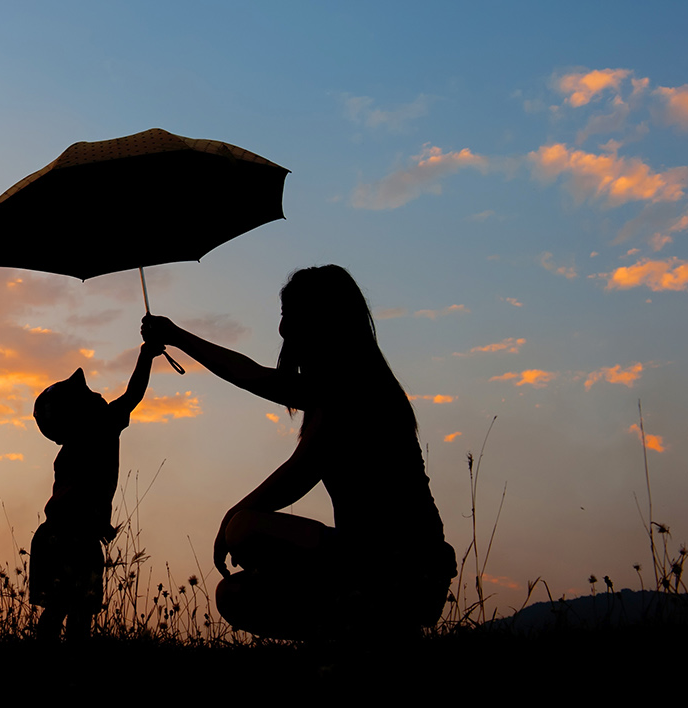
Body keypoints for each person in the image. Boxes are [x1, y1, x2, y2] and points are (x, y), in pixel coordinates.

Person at [142, 265, 455, 639]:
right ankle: (353, 634)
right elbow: (251, 374)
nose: (283, 329)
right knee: (235, 594)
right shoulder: (333, 388)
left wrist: (232, 517)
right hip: (369, 562)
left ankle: (380, 627)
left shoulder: (358, 391)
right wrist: (175, 335)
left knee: (245, 529)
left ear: (323, 319)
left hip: (403, 566)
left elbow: (300, 472)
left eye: (291, 315)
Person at [29, 341, 158, 642]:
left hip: (55, 535)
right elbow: (134, 394)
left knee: (59, 608)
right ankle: (75, 667)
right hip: (74, 537)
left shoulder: (74, 445)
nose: (99, 395)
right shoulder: (99, 427)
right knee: (78, 611)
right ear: (77, 412)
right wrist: (146, 354)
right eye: (89, 395)